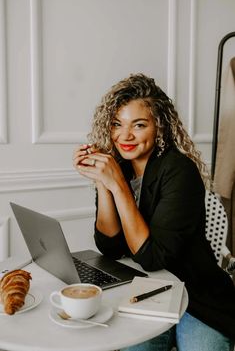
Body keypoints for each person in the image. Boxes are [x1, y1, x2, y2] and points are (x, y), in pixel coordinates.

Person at [73, 73, 235, 351]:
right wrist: (103, 183)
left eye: (139, 125)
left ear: (158, 127)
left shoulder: (179, 171)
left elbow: (152, 257)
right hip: (147, 292)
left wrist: (118, 185)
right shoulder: (120, 167)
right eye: (116, 124)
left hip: (198, 296)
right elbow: (109, 246)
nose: (125, 136)